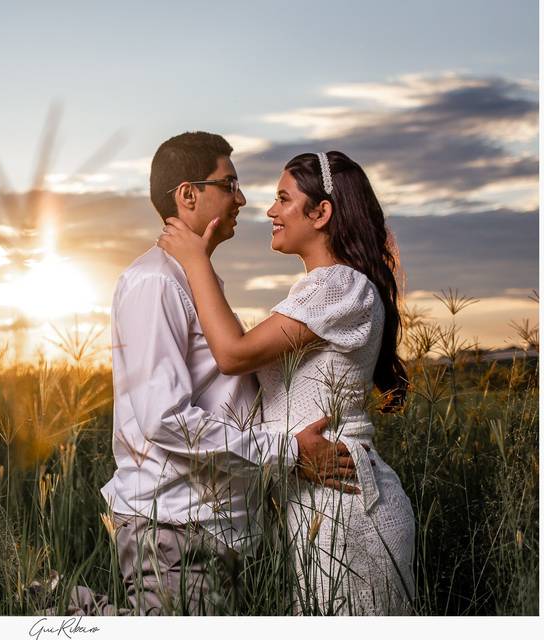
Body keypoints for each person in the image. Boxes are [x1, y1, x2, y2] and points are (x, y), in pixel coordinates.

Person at [97, 133, 362, 616]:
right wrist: (287, 452)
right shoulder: (154, 282)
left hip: (218, 528)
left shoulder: (196, 280)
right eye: (230, 183)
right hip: (177, 526)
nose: (242, 198)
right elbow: (164, 420)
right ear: (189, 195)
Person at [157, 150, 416, 615]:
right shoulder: (314, 291)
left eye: (283, 199)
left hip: (348, 504)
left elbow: (233, 355)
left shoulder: (340, 285)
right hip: (316, 498)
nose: (270, 211)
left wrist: (195, 260)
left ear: (321, 213)